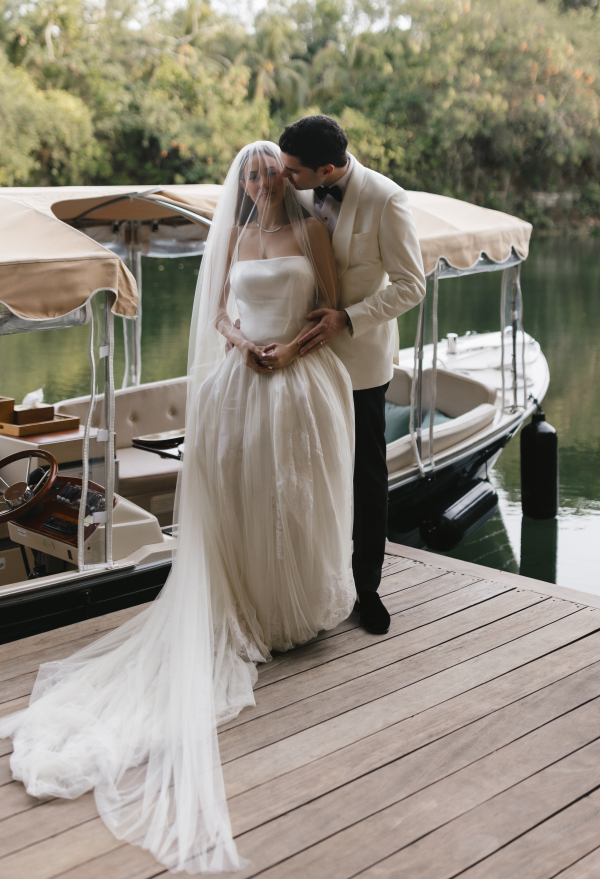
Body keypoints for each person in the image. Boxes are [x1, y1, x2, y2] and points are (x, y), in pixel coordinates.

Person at [0, 142, 356, 874]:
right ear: (242, 182)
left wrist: (291, 349)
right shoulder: (235, 237)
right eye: (250, 173)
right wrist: (242, 344)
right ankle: (252, 606)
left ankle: (289, 606)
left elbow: (327, 310)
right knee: (243, 498)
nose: (260, 182)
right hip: (240, 380)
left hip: (297, 378)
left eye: (269, 172)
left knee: (293, 498)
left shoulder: (312, 233)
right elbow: (221, 312)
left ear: (285, 176)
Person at [279, 115, 426, 635]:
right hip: (301, 357)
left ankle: (368, 587)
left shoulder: (387, 199)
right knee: (305, 470)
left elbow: (412, 285)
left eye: (293, 170)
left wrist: (348, 318)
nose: (283, 176)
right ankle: (311, 580)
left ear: (326, 169)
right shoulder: (293, 190)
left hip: (360, 362)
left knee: (366, 477)